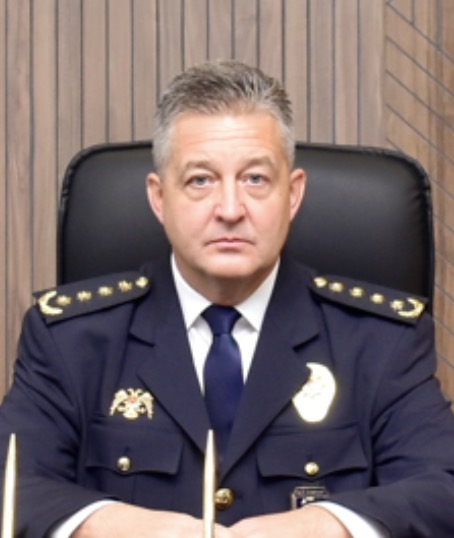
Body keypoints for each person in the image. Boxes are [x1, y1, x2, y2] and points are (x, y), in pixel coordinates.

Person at [1, 60, 454, 538]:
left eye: (255, 179)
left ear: (293, 194)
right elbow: (13, 482)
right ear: (159, 198)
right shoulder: (71, 340)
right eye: (201, 180)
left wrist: (326, 526)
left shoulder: (380, 341)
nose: (231, 210)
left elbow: (443, 487)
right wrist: (117, 526)